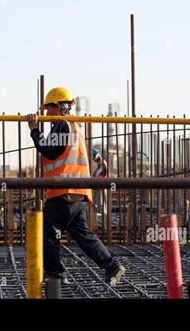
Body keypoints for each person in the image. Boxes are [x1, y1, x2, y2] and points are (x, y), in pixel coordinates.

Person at [26, 87, 125, 285]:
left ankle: (55, 274)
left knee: (47, 232)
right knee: (84, 236)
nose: (45, 114)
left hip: (64, 190)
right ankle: (112, 266)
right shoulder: (73, 127)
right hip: (77, 193)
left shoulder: (62, 125)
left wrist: (34, 131)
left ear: (57, 107)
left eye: (47, 109)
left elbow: (49, 151)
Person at [92, 148, 108, 224]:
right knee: (97, 205)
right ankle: (98, 221)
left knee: (101, 205)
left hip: (101, 187)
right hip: (98, 187)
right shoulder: (99, 163)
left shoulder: (102, 163)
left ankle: (103, 222)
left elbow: (96, 174)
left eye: (94, 156)